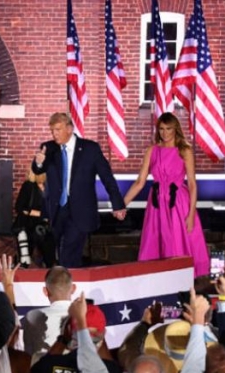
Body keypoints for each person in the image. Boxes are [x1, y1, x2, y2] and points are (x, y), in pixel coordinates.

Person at [32, 112, 126, 267]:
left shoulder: (90, 149)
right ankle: (67, 277)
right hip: (57, 211)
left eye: (58, 130)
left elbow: (107, 177)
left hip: (80, 211)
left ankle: (66, 279)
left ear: (69, 129)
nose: (54, 134)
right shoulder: (48, 148)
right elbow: (37, 170)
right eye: (52, 130)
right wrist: (39, 162)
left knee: (68, 254)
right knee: (58, 252)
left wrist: (117, 204)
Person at [123, 112, 209, 277]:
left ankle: (180, 281)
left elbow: (192, 184)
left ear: (175, 129)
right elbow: (140, 181)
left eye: (168, 128)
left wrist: (191, 214)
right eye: (161, 129)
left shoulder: (185, 151)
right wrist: (122, 204)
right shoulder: (152, 150)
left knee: (177, 242)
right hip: (156, 204)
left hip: (178, 204)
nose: (165, 133)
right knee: (155, 242)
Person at [21, 266, 76, 358]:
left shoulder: (33, 317)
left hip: (42, 366)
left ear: (45, 291)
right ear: (73, 288)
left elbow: (28, 356)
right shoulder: (86, 315)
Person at [14, 169, 56, 268]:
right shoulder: (28, 186)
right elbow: (19, 207)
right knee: (25, 258)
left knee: (49, 257)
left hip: (46, 226)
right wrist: (41, 214)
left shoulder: (50, 187)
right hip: (28, 225)